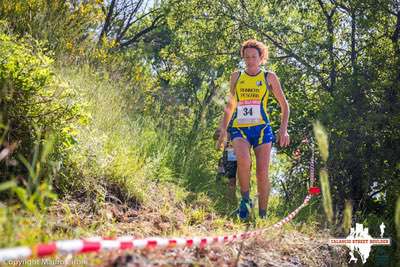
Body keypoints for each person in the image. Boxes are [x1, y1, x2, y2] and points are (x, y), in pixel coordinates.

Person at [216, 39, 290, 219]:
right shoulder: (236, 76)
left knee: (262, 172)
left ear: (261, 57)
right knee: (243, 160)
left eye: (253, 57)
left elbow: (285, 105)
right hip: (240, 129)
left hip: (262, 130)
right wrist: (222, 130)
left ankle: (263, 214)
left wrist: (283, 130)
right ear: (243, 58)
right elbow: (230, 105)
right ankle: (245, 201)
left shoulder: (269, 77)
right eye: (246, 57)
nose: (250, 60)